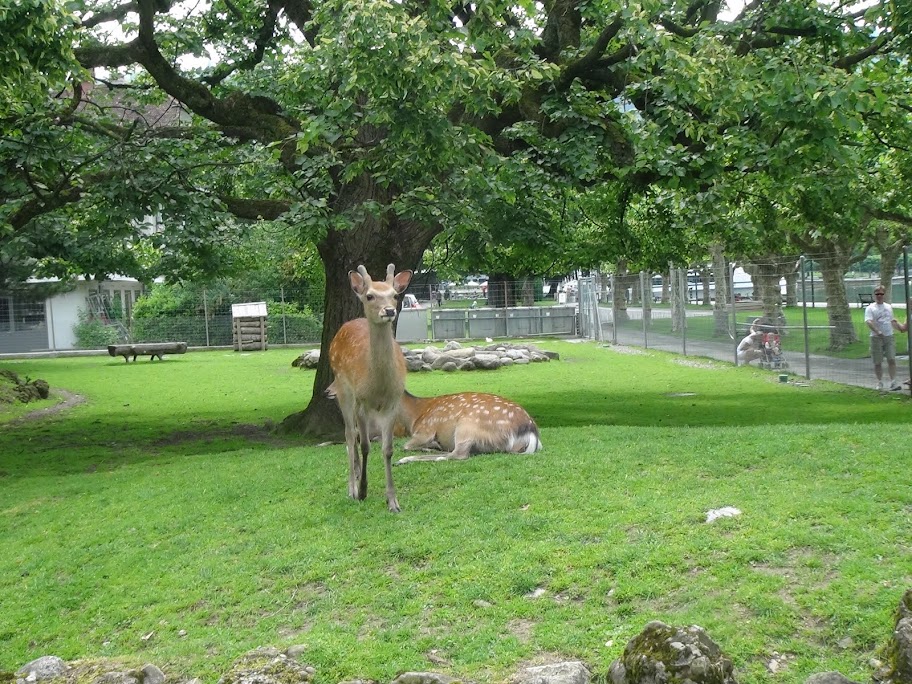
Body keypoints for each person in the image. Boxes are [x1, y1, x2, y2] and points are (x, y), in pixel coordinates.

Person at [864, 286, 901, 391]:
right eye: (877, 294)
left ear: (884, 295)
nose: (879, 296)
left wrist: (899, 327)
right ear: (874, 295)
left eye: (881, 294)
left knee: (891, 358)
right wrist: (878, 332)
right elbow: (869, 321)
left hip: (889, 336)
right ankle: (879, 382)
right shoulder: (870, 308)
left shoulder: (888, 307)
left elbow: (891, 320)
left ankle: (893, 381)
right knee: (877, 361)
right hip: (876, 337)